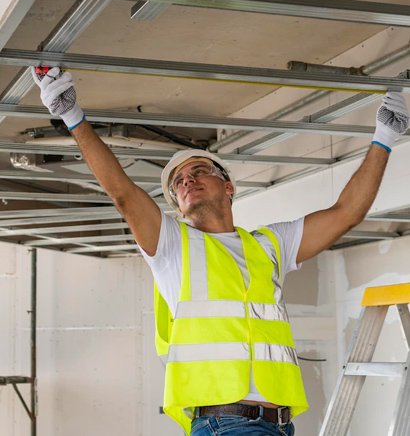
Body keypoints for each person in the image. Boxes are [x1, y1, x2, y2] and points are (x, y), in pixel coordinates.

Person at [32, 67, 409, 436]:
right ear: (178, 207)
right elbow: (124, 194)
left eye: (198, 171)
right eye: (178, 183)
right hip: (225, 424)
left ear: (228, 187)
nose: (187, 181)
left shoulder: (268, 245)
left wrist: (385, 135)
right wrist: (72, 115)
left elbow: (346, 213)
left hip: (278, 424)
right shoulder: (172, 246)